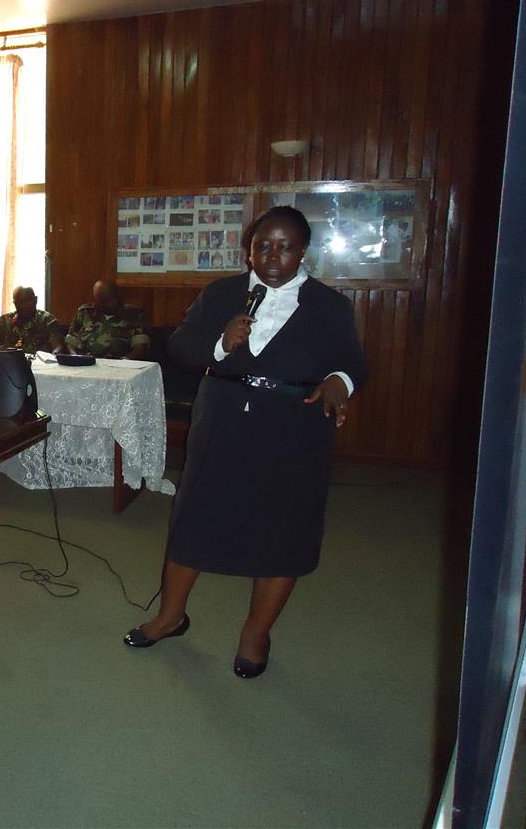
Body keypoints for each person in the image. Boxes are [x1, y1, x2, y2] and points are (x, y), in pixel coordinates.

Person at [123, 206, 367, 680]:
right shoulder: (221, 294)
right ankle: (171, 615)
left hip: (294, 427)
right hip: (224, 420)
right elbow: (178, 347)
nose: (273, 255)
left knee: (284, 529)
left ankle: (256, 632)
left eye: (285, 246)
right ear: (249, 250)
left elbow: (353, 363)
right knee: (195, 516)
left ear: (303, 251)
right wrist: (219, 343)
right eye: (263, 246)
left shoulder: (331, 306)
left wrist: (340, 381)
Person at [64, 279, 149, 360]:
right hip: (89, 363)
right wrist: (77, 358)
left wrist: (125, 361)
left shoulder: (134, 315)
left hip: (121, 365)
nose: (111, 303)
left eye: (112, 298)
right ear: (97, 299)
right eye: (104, 300)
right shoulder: (85, 313)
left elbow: (140, 347)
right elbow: (71, 343)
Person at [0, 286, 64, 354]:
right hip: (7, 365)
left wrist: (53, 357)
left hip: (37, 367)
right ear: (14, 303)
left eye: (28, 301)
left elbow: (57, 347)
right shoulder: (5, 320)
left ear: (35, 300)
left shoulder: (47, 320)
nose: (23, 305)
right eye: (19, 302)